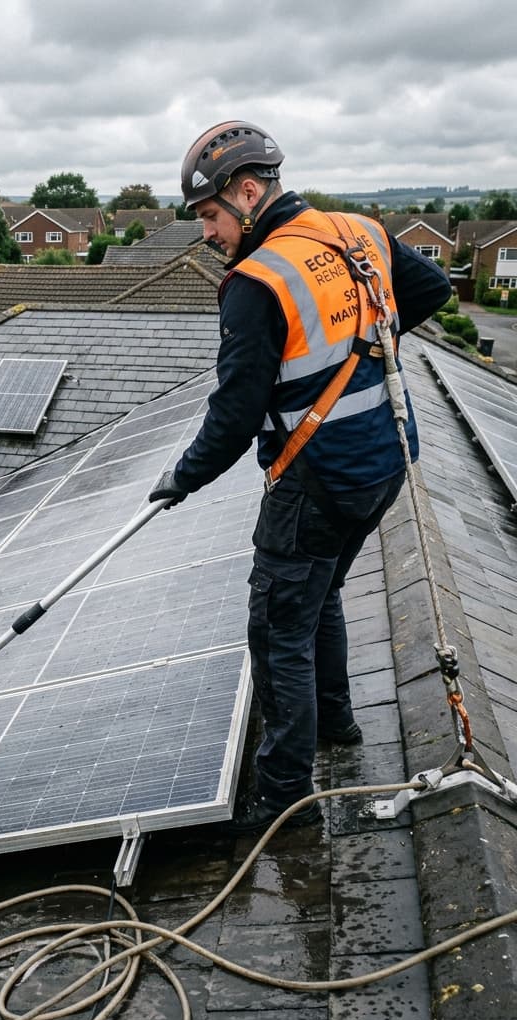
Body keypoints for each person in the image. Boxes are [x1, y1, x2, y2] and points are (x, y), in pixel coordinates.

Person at [149, 120, 452, 834]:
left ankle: (283, 803)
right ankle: (336, 721)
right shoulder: (358, 231)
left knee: (278, 628)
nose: (207, 234)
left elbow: (234, 416)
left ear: (247, 193)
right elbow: (433, 288)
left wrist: (180, 478)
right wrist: (366, 346)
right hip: (385, 462)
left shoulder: (256, 281)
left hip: (316, 481)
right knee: (322, 594)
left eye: (211, 215)